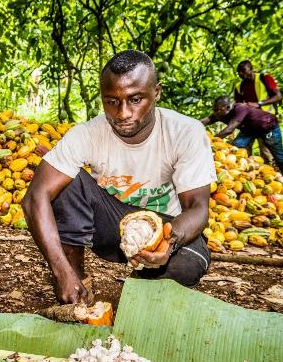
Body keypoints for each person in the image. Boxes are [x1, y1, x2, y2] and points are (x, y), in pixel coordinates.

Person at [22, 50, 215, 305]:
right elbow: (34, 197)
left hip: (165, 226)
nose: (123, 113)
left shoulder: (185, 132)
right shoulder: (87, 134)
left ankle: (142, 288)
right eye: (112, 101)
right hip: (113, 224)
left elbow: (198, 209)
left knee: (188, 265)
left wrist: (168, 239)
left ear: (156, 92)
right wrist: (61, 273)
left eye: (135, 99)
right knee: (64, 183)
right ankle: (78, 286)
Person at [200, 96, 283, 179]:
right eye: (214, 110)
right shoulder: (219, 114)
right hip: (249, 130)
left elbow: (229, 130)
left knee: (279, 158)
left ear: (228, 107)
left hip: (268, 126)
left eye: (218, 110)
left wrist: (211, 141)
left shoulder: (240, 108)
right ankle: (242, 173)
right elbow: (204, 121)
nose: (215, 113)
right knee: (234, 149)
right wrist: (190, 125)